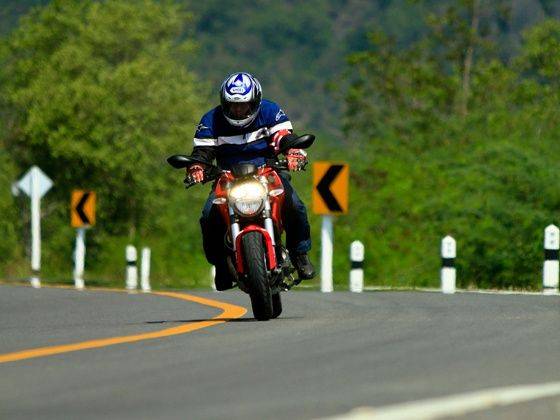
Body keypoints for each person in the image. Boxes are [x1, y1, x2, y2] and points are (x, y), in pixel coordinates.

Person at [186, 71, 315, 290]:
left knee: (295, 205)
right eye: (233, 105)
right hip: (227, 178)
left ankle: (299, 253)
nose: (238, 110)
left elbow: (283, 136)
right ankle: (221, 266)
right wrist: (197, 168)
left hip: (268, 173)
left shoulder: (270, 111)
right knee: (209, 216)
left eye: (243, 105)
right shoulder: (211, 120)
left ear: (254, 101)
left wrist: (293, 152)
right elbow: (202, 152)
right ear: (224, 102)